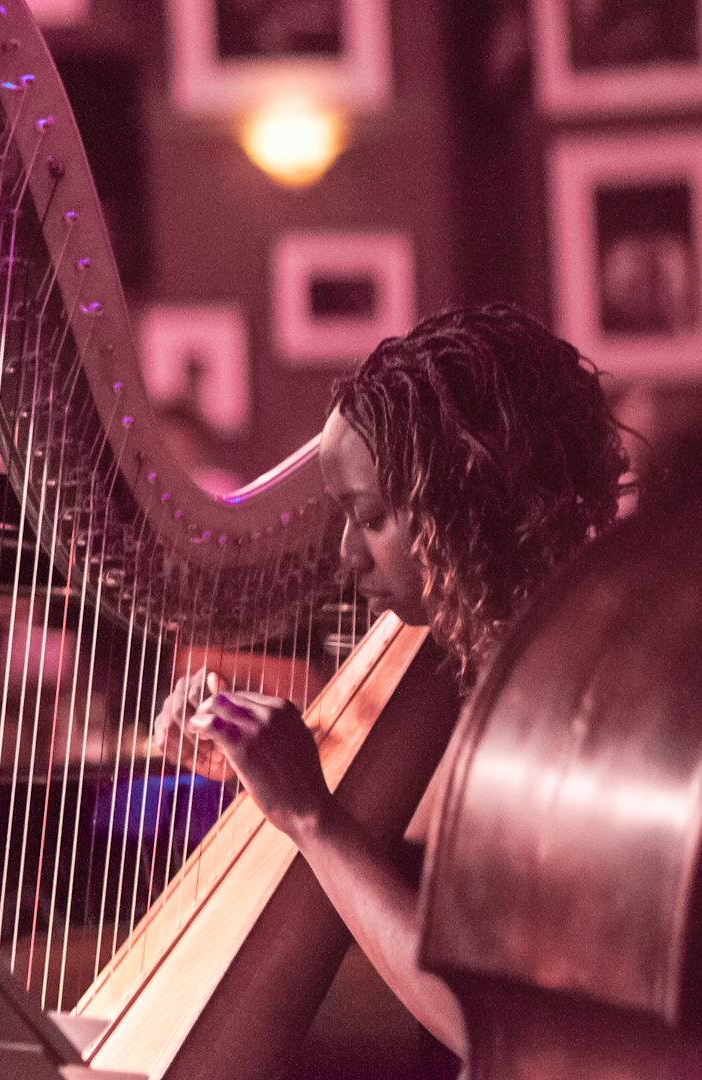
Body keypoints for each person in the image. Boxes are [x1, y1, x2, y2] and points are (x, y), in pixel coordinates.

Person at [154, 303, 628, 1057]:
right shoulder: (459, 665)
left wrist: (312, 818)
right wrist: (245, 758)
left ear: (463, 508)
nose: (344, 553)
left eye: (367, 515)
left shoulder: (582, 709)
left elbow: (511, 1036)